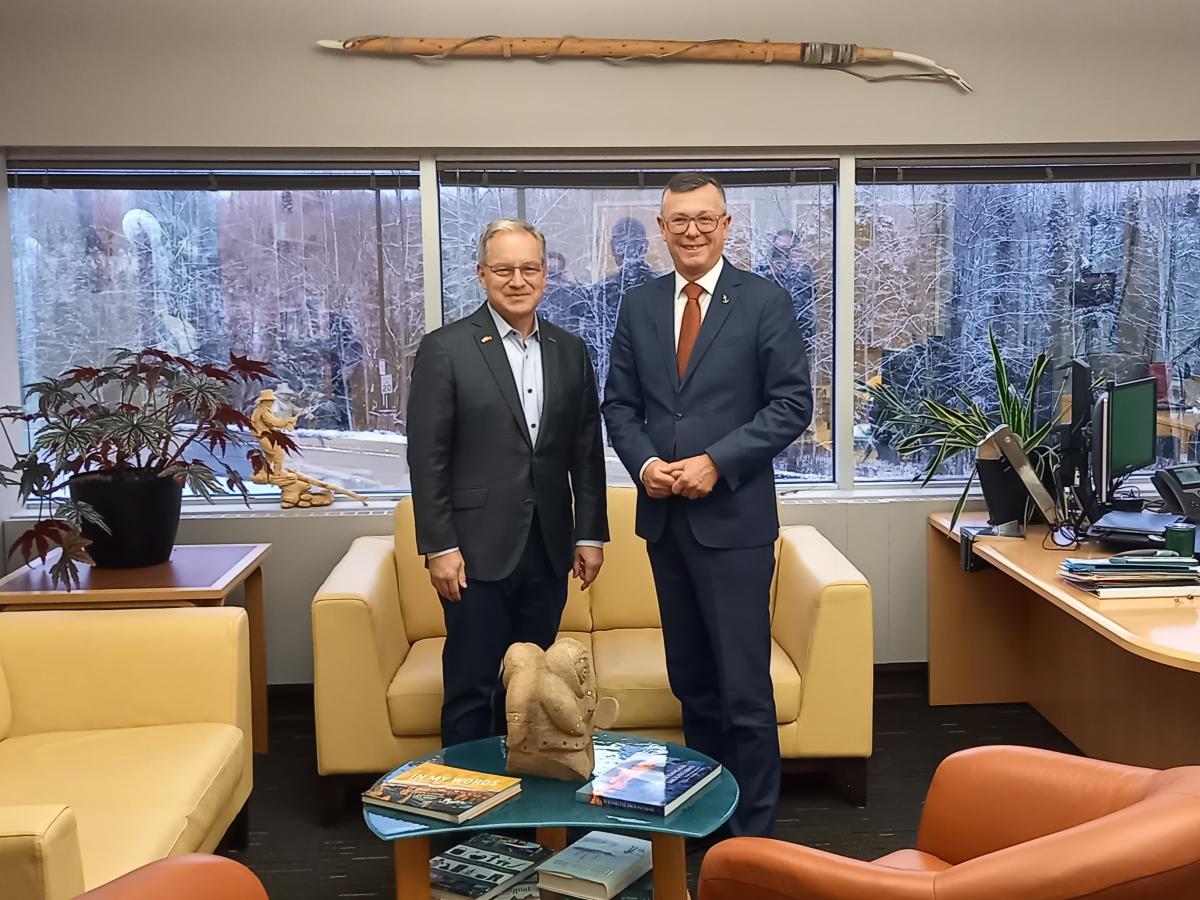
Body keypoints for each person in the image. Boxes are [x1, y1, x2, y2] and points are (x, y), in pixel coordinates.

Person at [602, 173, 813, 838]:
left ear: (726, 226)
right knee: (693, 687)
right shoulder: (639, 305)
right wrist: (644, 465)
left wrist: (717, 462)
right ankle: (703, 825)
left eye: (704, 218)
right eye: (678, 220)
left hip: (736, 526)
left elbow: (791, 405)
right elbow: (620, 406)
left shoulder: (764, 301)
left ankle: (751, 844)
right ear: (661, 230)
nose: (691, 230)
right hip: (665, 525)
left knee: (744, 694)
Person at [407, 218, 609, 747]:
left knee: (532, 691)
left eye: (529, 268)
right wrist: (439, 546)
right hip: (473, 554)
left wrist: (589, 534)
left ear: (546, 275)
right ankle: (465, 821)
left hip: (547, 550)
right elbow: (426, 459)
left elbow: (586, 452)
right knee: (474, 689)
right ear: (481, 274)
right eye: (504, 269)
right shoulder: (445, 350)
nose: (517, 280)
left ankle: (525, 815)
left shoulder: (571, 351)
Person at [588, 217, 659, 387]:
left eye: (633, 245)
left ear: (644, 247)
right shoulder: (600, 293)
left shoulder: (665, 290)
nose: (628, 252)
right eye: (623, 245)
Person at [754, 229, 816, 355]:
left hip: (797, 338)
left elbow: (804, 303)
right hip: (767, 337)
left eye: (787, 250)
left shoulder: (803, 273)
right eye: (778, 249)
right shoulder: (762, 272)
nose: (781, 255)